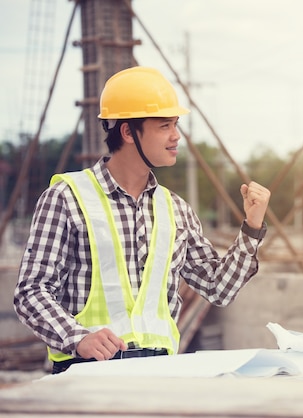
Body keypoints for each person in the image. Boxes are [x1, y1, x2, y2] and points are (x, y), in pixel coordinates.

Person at [14, 66, 271, 374]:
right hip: (88, 373)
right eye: (165, 126)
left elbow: (219, 288)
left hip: (160, 375)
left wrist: (252, 227)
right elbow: (31, 291)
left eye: (175, 124)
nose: (176, 136)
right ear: (127, 132)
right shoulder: (66, 198)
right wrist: (77, 337)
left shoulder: (175, 209)